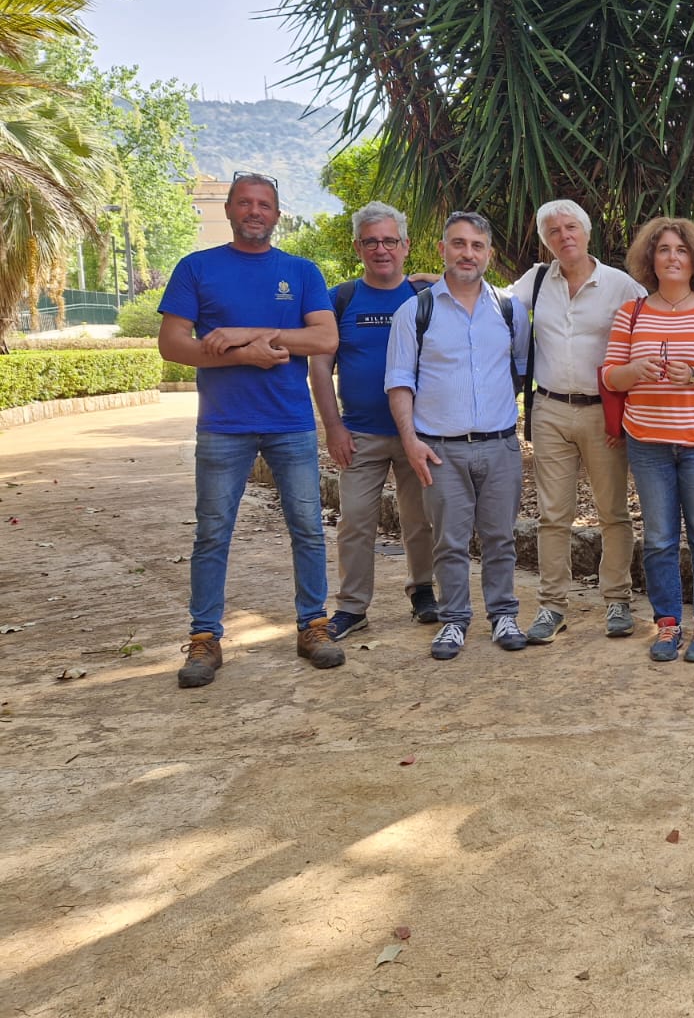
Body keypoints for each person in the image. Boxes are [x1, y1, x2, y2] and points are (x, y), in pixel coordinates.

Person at [158, 171, 341, 687]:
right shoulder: (196, 268)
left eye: (264, 204)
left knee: (307, 528)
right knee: (213, 533)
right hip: (223, 425)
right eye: (244, 202)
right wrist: (246, 355)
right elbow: (172, 344)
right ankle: (204, 638)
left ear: (277, 214)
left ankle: (313, 627)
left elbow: (324, 338)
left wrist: (244, 334)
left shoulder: (301, 271)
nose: (254, 211)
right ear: (229, 210)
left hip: (290, 423)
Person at [385, 211, 530, 661]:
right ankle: (454, 620)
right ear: (442, 249)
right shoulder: (416, 311)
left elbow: (519, 370)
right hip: (440, 450)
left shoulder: (509, 310)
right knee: (448, 540)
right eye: (459, 243)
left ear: (489, 254)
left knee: (501, 537)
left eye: (477, 245)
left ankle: (503, 615)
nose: (468, 253)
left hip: (500, 446)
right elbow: (399, 382)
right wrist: (410, 442)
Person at [602, 218, 694, 663]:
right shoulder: (632, 312)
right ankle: (667, 623)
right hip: (647, 443)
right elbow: (610, 376)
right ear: (651, 259)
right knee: (660, 539)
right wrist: (633, 371)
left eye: (681, 250)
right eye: (663, 249)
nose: (672, 257)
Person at [514, 199, 645, 641]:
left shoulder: (620, 285)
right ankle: (552, 605)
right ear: (545, 241)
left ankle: (617, 601)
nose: (564, 236)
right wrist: (438, 282)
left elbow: (649, 328)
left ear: (587, 233)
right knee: (553, 515)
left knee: (613, 512)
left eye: (571, 227)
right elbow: (491, 301)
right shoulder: (536, 280)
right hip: (549, 409)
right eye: (554, 231)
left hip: (602, 412)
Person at [308, 201, 438, 641]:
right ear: (357, 248)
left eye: (389, 241)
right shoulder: (339, 298)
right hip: (359, 434)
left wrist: (441, 280)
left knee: (420, 519)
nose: (381, 249)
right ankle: (352, 606)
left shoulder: (425, 297)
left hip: (417, 434)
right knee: (355, 522)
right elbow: (320, 367)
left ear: (406, 246)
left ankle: (423, 590)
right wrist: (333, 427)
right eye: (371, 242)